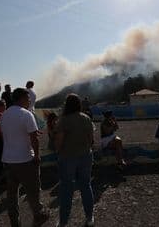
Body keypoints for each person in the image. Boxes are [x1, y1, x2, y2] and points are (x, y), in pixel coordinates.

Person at [0, 88, 49, 227]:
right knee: (32, 191)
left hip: (8, 160)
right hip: (25, 159)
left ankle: (15, 222)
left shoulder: (4, 115)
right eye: (28, 99)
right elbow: (34, 139)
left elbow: (9, 135)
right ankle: (38, 215)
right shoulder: (26, 114)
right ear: (21, 98)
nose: (29, 101)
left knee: (12, 195)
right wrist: (37, 155)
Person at [54, 94, 95, 227]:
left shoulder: (64, 120)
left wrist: (58, 152)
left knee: (66, 188)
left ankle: (64, 222)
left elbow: (59, 141)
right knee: (86, 186)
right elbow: (91, 140)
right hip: (85, 156)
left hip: (67, 157)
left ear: (67, 104)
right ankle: (89, 218)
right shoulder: (86, 118)